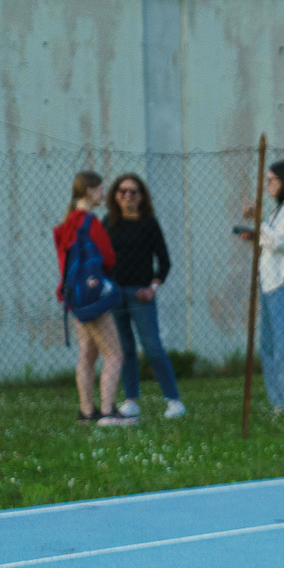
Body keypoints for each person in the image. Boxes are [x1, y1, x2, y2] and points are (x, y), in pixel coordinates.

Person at [103, 173, 185, 421]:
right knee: (124, 348)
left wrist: (152, 288)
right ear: (115, 196)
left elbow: (165, 262)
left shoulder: (149, 223)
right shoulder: (108, 223)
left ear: (141, 197)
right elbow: (101, 259)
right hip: (115, 295)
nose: (127, 196)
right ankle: (131, 401)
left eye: (133, 192)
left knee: (152, 347)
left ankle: (173, 400)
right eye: (122, 191)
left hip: (141, 296)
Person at [53, 172, 132, 428]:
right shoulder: (90, 221)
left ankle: (87, 411)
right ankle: (108, 411)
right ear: (88, 191)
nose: (103, 194)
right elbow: (108, 257)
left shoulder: (69, 223)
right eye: (100, 189)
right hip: (94, 298)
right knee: (115, 354)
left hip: (76, 298)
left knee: (87, 355)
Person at [238, 159, 284, 423]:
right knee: (269, 347)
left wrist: (257, 219)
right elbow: (271, 237)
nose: (266, 185)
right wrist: (254, 233)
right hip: (270, 283)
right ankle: (280, 402)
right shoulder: (280, 210)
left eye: (271, 180)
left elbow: (280, 241)